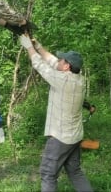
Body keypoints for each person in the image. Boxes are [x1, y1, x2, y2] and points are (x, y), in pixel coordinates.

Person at [19, 34, 93, 192]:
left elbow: (39, 65)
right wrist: (38, 46)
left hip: (60, 137)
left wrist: (29, 47)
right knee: (75, 171)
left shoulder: (62, 81)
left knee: (48, 174)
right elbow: (52, 61)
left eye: (62, 60)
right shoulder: (79, 80)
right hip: (75, 136)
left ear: (67, 66)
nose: (58, 61)